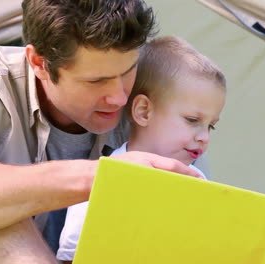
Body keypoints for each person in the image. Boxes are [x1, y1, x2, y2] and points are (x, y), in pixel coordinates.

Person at [0, 1, 204, 264]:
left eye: (128, 70)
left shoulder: (151, 98)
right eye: (97, 81)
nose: (119, 97)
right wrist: (99, 177)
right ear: (39, 63)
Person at [56, 35, 227, 263]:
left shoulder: (198, 181)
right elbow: (71, 256)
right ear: (144, 111)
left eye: (211, 127)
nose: (204, 137)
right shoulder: (104, 176)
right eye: (192, 119)